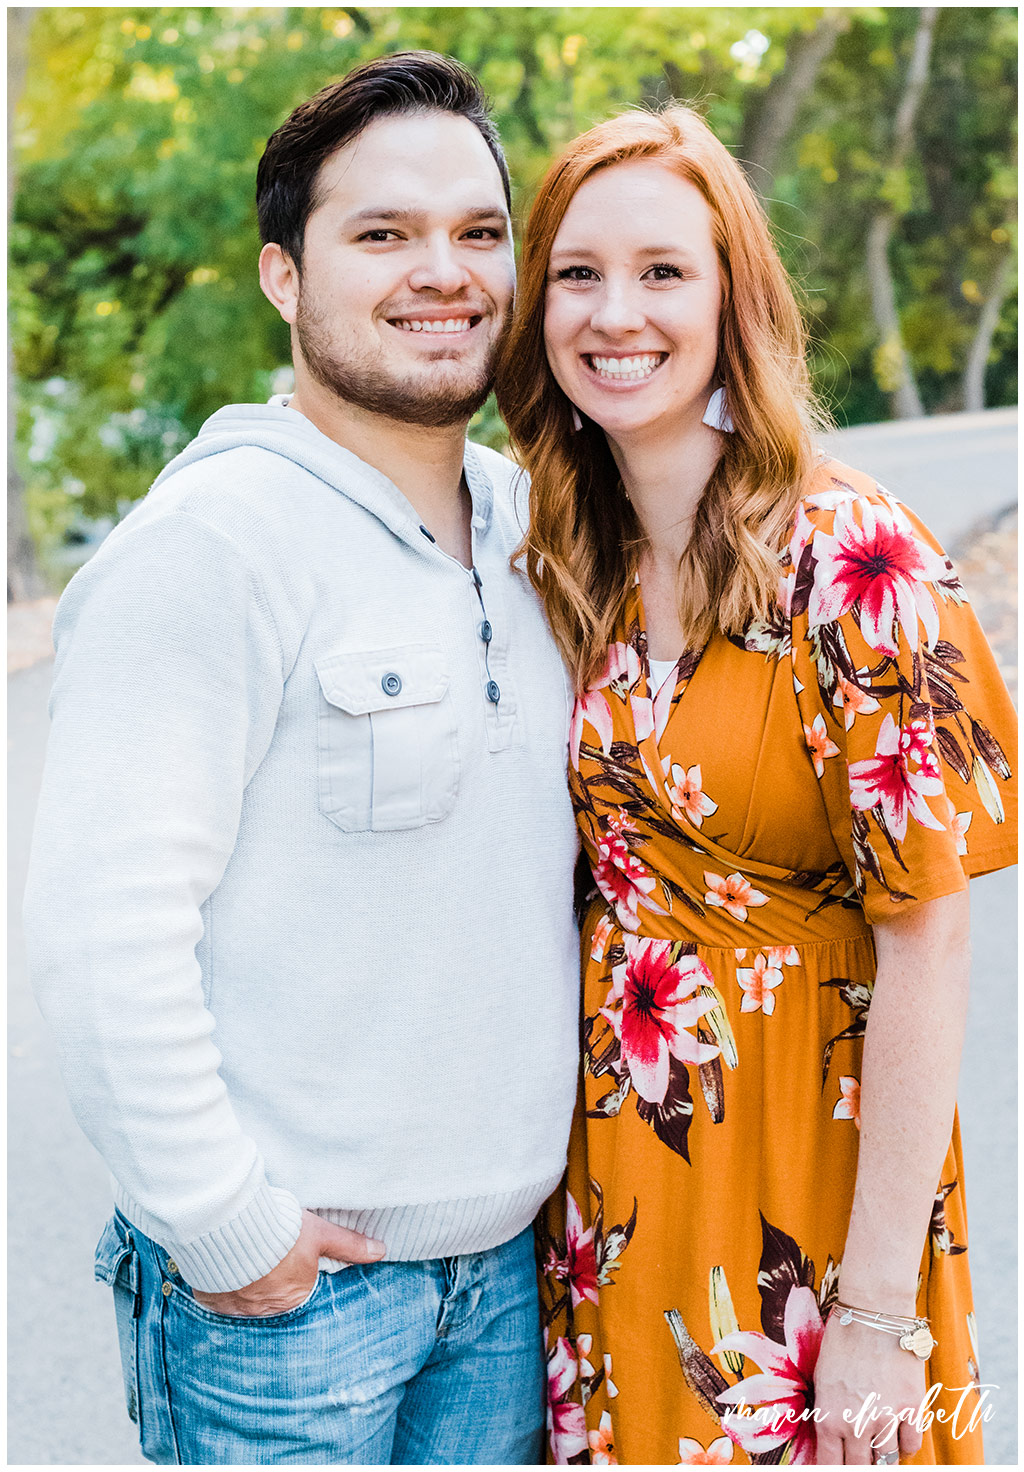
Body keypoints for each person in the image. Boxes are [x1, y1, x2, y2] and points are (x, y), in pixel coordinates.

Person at [23, 52, 581, 1466]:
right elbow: (104, 932)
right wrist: (226, 1227)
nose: (441, 273)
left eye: (477, 232)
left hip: (510, 1284)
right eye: (382, 235)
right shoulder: (211, 550)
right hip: (292, 1309)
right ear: (284, 276)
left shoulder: (534, 530)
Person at [496, 106, 1017, 1466]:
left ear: (735, 295)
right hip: (621, 1188)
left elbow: (932, 938)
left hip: (812, 1190)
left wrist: (877, 1311)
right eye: (579, 273)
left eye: (666, 270)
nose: (619, 312)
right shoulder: (567, 556)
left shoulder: (855, 558)